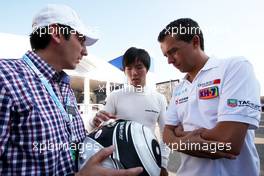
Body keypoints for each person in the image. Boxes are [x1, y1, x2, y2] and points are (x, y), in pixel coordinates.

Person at [0, 4, 142, 176]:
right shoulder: (5, 78)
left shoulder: (65, 87)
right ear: (56, 33)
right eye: (81, 40)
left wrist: (99, 131)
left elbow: (74, 147)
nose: (85, 51)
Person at [158, 18, 261, 176]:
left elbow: (228, 143)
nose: (169, 61)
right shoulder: (179, 88)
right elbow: (166, 134)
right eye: (166, 55)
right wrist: (182, 142)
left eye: (173, 51)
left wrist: (180, 136)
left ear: (195, 41)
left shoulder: (235, 67)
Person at [89, 47, 170, 176]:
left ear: (147, 69)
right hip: (119, 163)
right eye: (129, 68)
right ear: (124, 70)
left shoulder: (159, 98)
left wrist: (163, 164)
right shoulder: (115, 96)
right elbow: (98, 127)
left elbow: (166, 133)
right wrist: (94, 120)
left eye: (139, 67)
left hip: (150, 162)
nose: (134, 73)